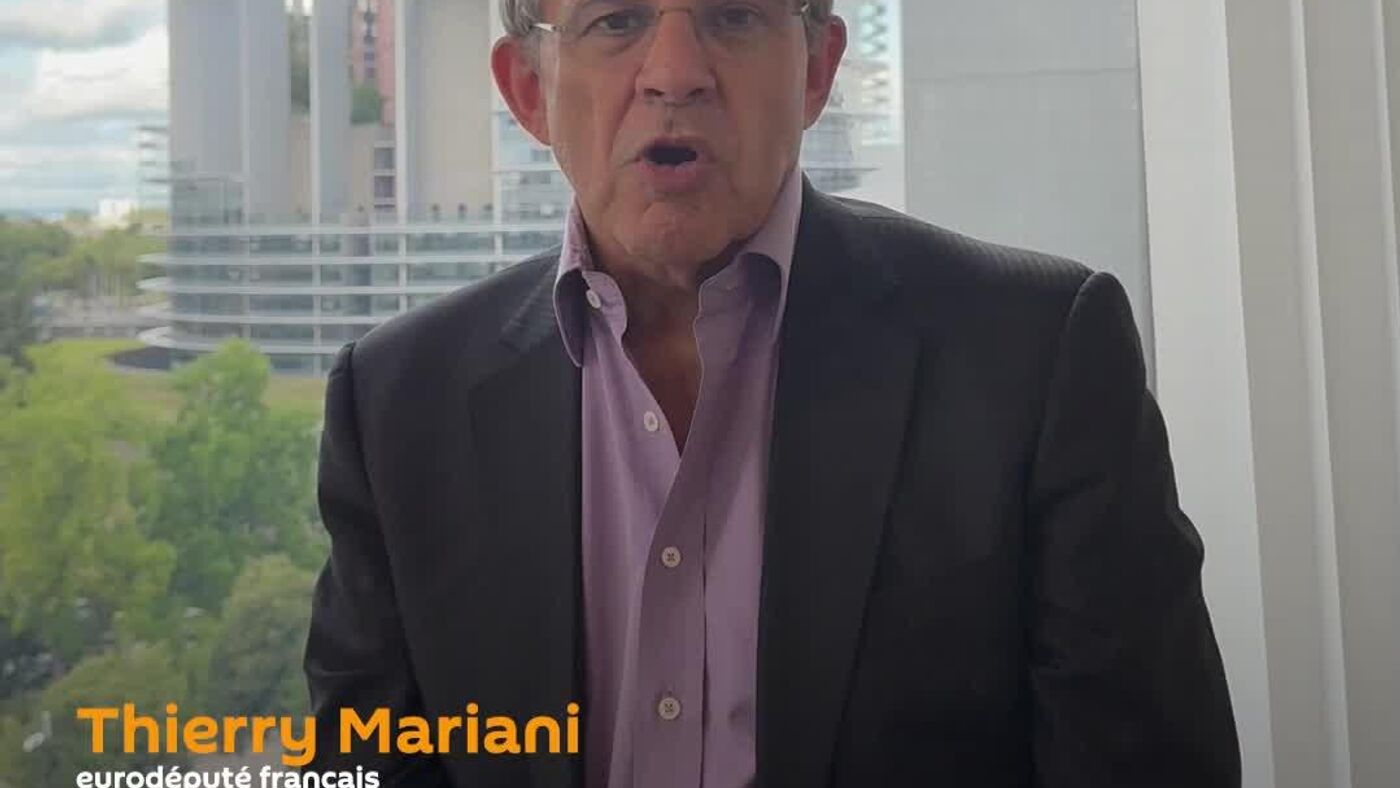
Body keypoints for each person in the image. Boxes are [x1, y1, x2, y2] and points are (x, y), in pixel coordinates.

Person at [303, 0, 1242, 786]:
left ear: (816, 68)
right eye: (617, 20)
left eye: (734, 16)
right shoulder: (396, 406)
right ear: (528, 90)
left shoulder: (1034, 356)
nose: (676, 72)